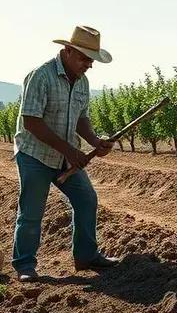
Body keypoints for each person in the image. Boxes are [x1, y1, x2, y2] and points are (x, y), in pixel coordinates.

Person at [11, 25, 119, 282]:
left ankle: (86, 256)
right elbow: (32, 122)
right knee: (31, 212)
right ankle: (25, 266)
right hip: (35, 155)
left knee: (87, 200)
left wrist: (95, 141)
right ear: (67, 51)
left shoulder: (82, 82)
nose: (88, 65)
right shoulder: (41, 76)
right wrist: (71, 150)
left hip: (64, 156)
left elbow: (82, 118)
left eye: (91, 60)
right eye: (84, 58)